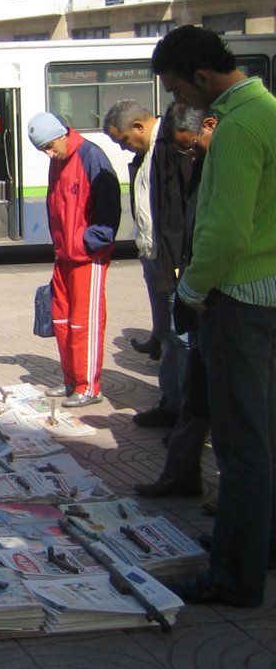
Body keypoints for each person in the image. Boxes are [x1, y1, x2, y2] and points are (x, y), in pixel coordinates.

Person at [152, 25, 276, 608]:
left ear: (202, 77)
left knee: (241, 446)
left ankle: (233, 575)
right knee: (265, 437)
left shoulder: (238, 127)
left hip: (242, 301)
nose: (182, 105)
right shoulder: (269, 109)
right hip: (269, 294)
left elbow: (225, 231)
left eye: (179, 91)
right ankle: (253, 544)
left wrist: (192, 290)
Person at [135, 106, 216, 499]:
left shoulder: (227, 159)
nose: (191, 155)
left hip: (226, 300)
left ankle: (246, 514)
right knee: (197, 395)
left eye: (193, 147)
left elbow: (223, 237)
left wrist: (193, 290)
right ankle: (182, 474)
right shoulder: (185, 156)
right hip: (194, 285)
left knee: (237, 413)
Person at [104, 100, 193, 429]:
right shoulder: (145, 154)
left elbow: (180, 210)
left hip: (174, 257)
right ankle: (171, 403)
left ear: (140, 127)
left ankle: (187, 411)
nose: (124, 147)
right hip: (153, 254)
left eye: (124, 140)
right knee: (167, 334)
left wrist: (178, 259)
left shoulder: (173, 147)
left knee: (180, 334)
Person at [26, 112, 121, 409]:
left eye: (51, 146)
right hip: (64, 255)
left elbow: (108, 206)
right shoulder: (58, 161)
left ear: (63, 134)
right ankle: (71, 380)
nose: (49, 153)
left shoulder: (91, 156)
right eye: (43, 149)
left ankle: (89, 386)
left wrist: (88, 242)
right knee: (63, 320)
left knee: (85, 323)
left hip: (86, 256)